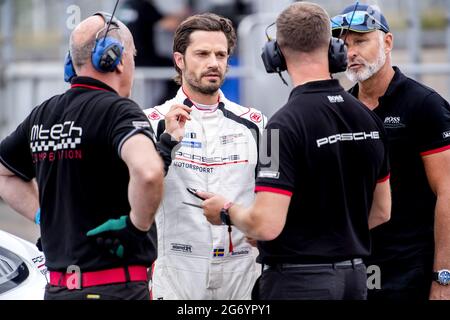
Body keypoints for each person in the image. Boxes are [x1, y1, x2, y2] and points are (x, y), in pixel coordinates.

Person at [200, 2, 391, 300]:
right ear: (334, 50)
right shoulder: (369, 118)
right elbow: (381, 211)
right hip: (355, 279)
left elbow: (265, 224)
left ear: (276, 55)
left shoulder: (279, 128)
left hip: (299, 282)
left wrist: (225, 212)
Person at [0, 13, 170, 300]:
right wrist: (135, 227)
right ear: (114, 58)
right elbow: (149, 171)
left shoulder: (41, 115)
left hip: (56, 290)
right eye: (132, 56)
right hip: (116, 288)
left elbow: (5, 173)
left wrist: (44, 216)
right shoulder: (119, 111)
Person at [144, 13, 266, 300]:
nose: (213, 62)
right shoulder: (150, 122)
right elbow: (132, 192)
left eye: (221, 54)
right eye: (202, 53)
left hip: (242, 271)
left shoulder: (257, 122)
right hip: (175, 270)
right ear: (179, 60)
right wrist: (166, 142)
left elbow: (271, 197)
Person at [332, 3, 450, 300]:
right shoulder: (339, 109)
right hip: (354, 265)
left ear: (387, 42)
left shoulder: (425, 105)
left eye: (361, 41)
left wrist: (443, 277)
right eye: (344, 44)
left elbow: (448, 192)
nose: (351, 52)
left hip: (412, 268)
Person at [117, 0, 188, 105]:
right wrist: (187, 17)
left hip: (126, 58)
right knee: (181, 68)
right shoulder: (145, 6)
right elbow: (170, 24)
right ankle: (164, 106)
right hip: (143, 59)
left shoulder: (126, 6)